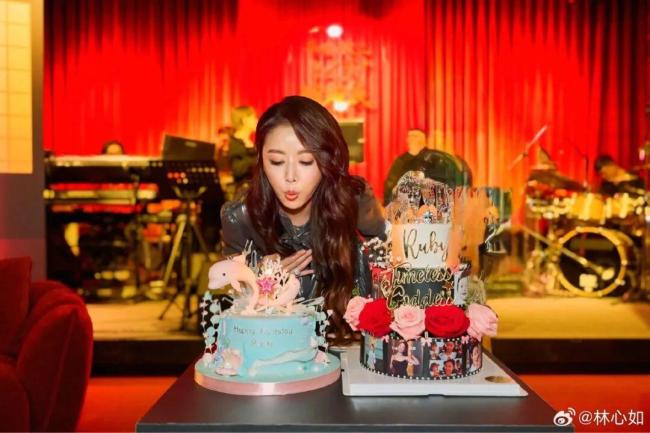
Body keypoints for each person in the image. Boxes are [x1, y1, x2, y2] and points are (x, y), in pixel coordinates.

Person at [220, 96, 386, 343]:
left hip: (350, 347)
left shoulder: (354, 201)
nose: (290, 176)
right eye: (276, 161)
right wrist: (262, 285)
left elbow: (388, 280)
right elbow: (235, 316)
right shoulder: (240, 218)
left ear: (327, 160)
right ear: (261, 160)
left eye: (306, 161)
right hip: (273, 350)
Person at [383, 129, 472, 205]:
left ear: (424, 140)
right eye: (410, 136)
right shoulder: (401, 161)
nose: (411, 139)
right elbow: (391, 182)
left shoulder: (434, 157)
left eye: (415, 136)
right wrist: (388, 202)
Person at [227, 106, 259, 197]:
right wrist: (257, 159)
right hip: (244, 193)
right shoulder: (235, 143)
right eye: (253, 117)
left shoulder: (248, 142)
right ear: (245, 120)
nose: (256, 120)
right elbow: (237, 170)